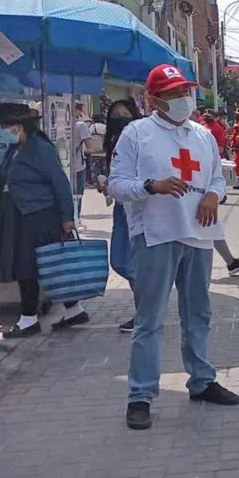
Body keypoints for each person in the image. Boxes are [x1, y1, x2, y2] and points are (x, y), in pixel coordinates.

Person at [108, 64, 239, 430]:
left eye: (186, 92)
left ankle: (202, 380)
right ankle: (140, 395)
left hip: (199, 234)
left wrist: (215, 194)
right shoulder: (137, 133)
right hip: (156, 235)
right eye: (174, 94)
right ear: (154, 99)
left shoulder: (202, 135)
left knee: (198, 313)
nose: (184, 99)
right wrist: (151, 186)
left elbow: (217, 175)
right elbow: (116, 185)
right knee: (150, 319)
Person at [0, 103, 90, 338]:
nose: (3, 131)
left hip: (41, 217)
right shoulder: (15, 150)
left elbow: (60, 183)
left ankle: (29, 318)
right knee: (41, 266)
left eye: (5, 126)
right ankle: (74, 309)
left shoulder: (40, 148)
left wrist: (67, 217)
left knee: (32, 266)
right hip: (20, 216)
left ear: (19, 127)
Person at [103, 99, 142, 332]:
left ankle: (145, 312)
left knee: (130, 263)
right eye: (115, 114)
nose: (120, 118)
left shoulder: (138, 139)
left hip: (135, 207)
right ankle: (146, 309)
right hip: (120, 207)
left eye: (125, 114)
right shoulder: (115, 141)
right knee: (118, 261)